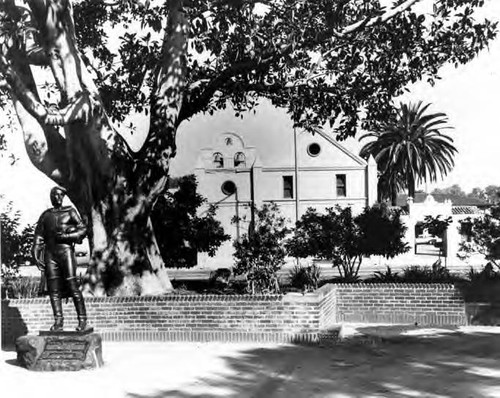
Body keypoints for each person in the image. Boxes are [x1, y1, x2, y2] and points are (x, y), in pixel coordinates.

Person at [32, 186, 90, 332]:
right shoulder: (46, 215)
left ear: (62, 197)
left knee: (72, 285)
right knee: (53, 289)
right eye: (53, 195)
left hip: (66, 252)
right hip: (50, 254)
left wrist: (68, 236)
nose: (55, 198)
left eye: (58, 195)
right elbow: (39, 235)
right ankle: (58, 321)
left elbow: (82, 229)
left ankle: (82, 320)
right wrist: (35, 251)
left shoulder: (70, 211)